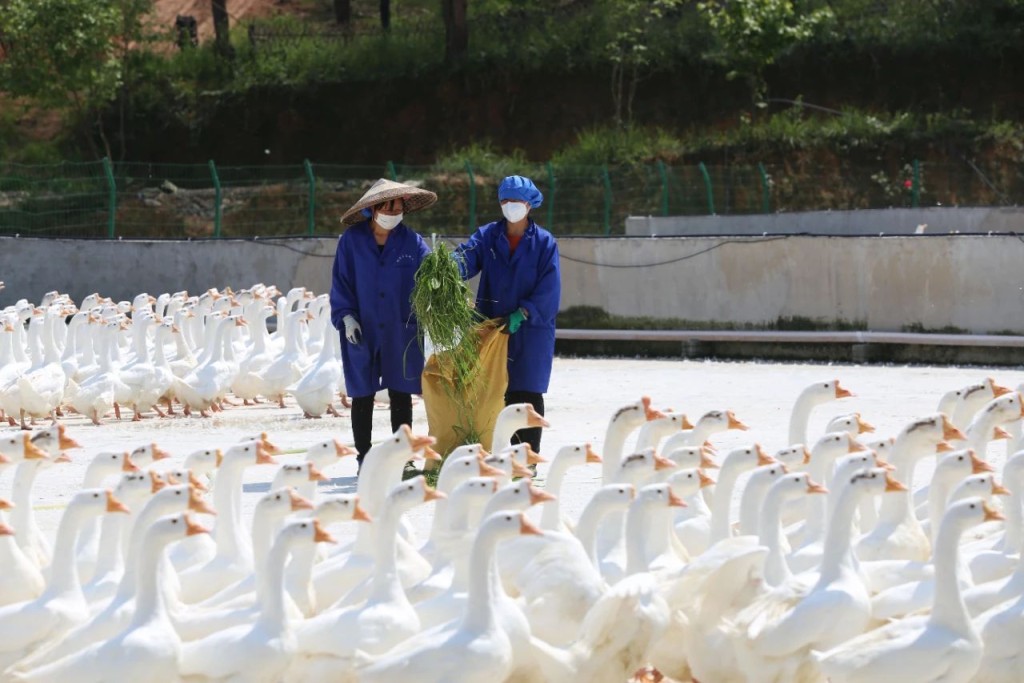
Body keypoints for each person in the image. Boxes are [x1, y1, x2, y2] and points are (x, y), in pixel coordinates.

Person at [330, 179, 437, 475]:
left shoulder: (411, 241)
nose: (395, 211)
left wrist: (438, 280)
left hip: (400, 329)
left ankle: (403, 458)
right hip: (361, 328)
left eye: (399, 206)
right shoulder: (351, 241)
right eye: (389, 205)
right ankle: (364, 458)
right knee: (362, 393)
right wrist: (345, 317)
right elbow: (341, 283)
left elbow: (430, 270)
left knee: (401, 393)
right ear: (374, 209)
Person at [454, 175, 560, 455]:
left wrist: (525, 311)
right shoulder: (487, 235)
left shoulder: (544, 243)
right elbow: (465, 258)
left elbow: (549, 288)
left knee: (526, 393)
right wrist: (445, 269)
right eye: (505, 200)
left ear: (529, 204)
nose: (511, 205)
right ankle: (500, 456)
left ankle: (529, 457)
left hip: (530, 331)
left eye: (516, 200)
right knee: (494, 393)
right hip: (491, 327)